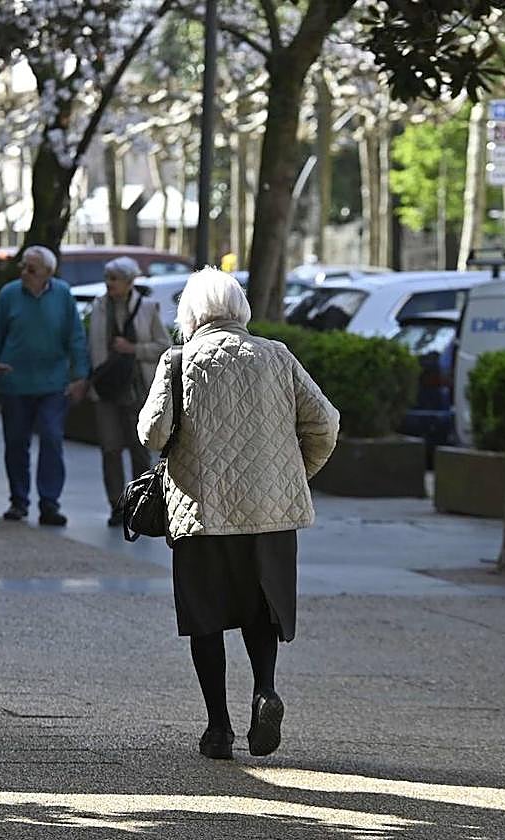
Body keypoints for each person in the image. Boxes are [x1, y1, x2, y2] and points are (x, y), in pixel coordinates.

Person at [137, 267, 339, 761]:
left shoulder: (179, 361)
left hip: (201, 511)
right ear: (241, 308)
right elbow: (325, 423)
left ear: (189, 313)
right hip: (270, 514)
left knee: (205, 618)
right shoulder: (277, 355)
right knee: (260, 608)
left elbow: (153, 433)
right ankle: (264, 691)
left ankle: (218, 729)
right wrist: (292, 475)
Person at [0, 245, 89, 526]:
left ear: (48, 273)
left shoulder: (63, 294)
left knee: (52, 438)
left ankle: (49, 502)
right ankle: (19, 501)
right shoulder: (9, 294)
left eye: (31, 269)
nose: (24, 273)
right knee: (16, 442)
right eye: (23, 267)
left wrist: (80, 375)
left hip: (53, 383)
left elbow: (75, 336)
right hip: (15, 381)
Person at [88, 257, 170, 525]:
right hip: (106, 389)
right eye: (107, 277)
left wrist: (134, 349)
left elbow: (163, 345)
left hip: (138, 390)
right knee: (110, 448)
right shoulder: (99, 308)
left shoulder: (147, 308)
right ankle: (117, 505)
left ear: (129, 281)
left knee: (139, 450)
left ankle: (140, 506)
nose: (109, 283)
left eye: (115, 278)